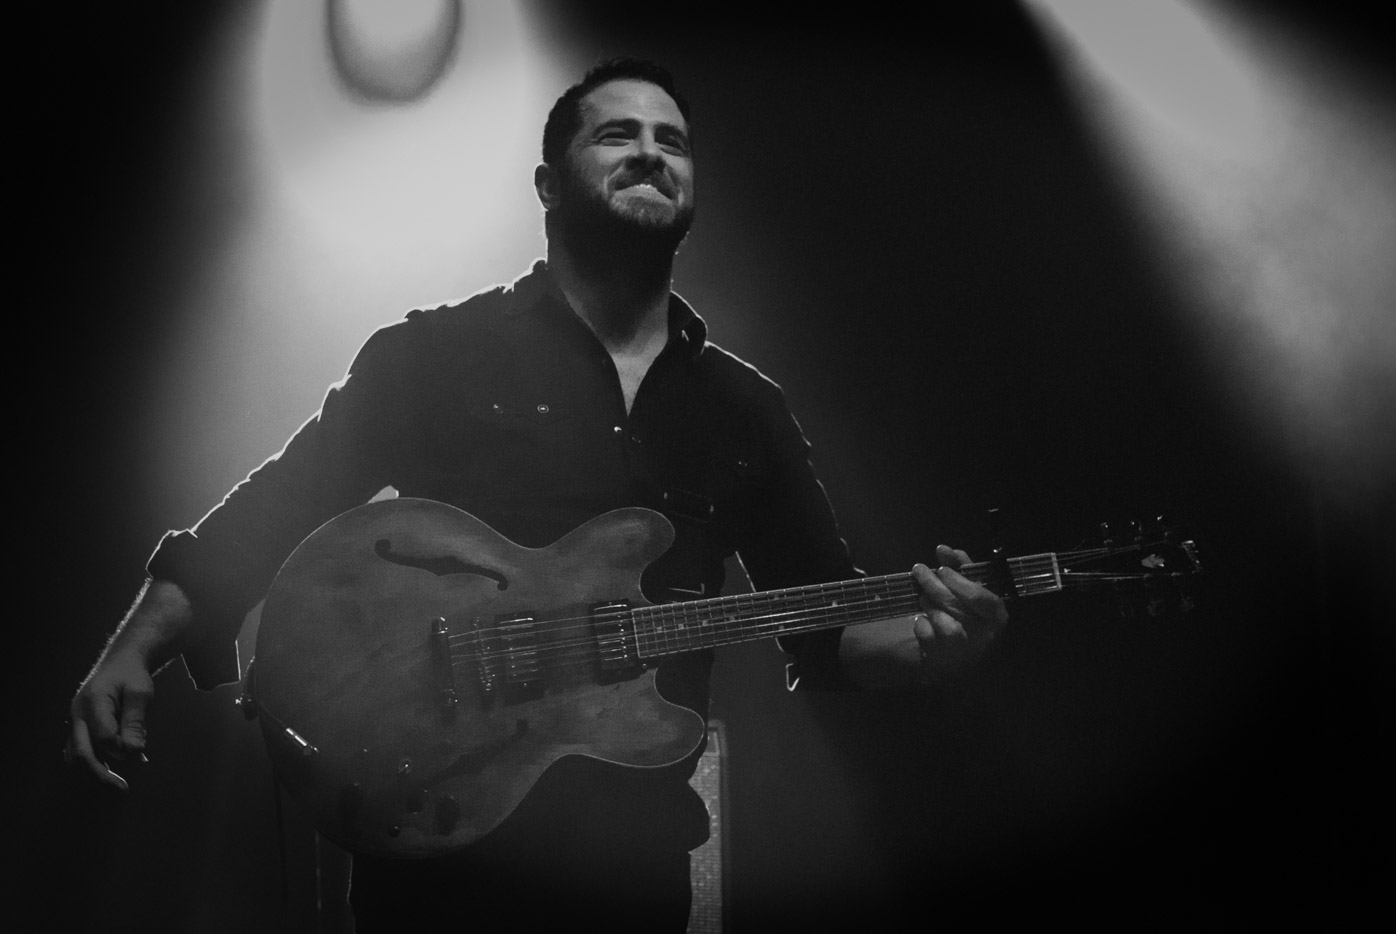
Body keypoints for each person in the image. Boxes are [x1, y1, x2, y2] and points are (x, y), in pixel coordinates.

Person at [65, 58, 1006, 931]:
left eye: (671, 141)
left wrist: (932, 646)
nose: (649, 151)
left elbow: (827, 624)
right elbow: (279, 502)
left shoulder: (742, 408)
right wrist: (137, 647)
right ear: (549, 186)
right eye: (617, 134)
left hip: (632, 860)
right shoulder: (435, 353)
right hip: (436, 833)